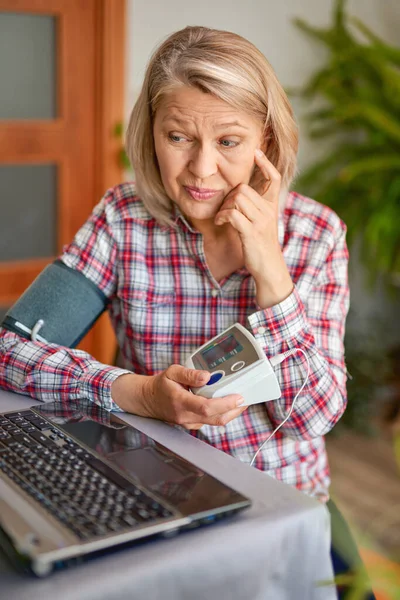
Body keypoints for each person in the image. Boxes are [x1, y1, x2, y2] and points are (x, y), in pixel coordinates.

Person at [0, 25, 374, 598]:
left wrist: (271, 270)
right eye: (178, 137)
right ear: (150, 131)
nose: (200, 170)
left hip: (278, 507)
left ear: (265, 140)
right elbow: (10, 348)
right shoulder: (122, 219)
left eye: (228, 141)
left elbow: (312, 417)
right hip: (148, 500)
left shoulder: (315, 234)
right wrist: (138, 393)